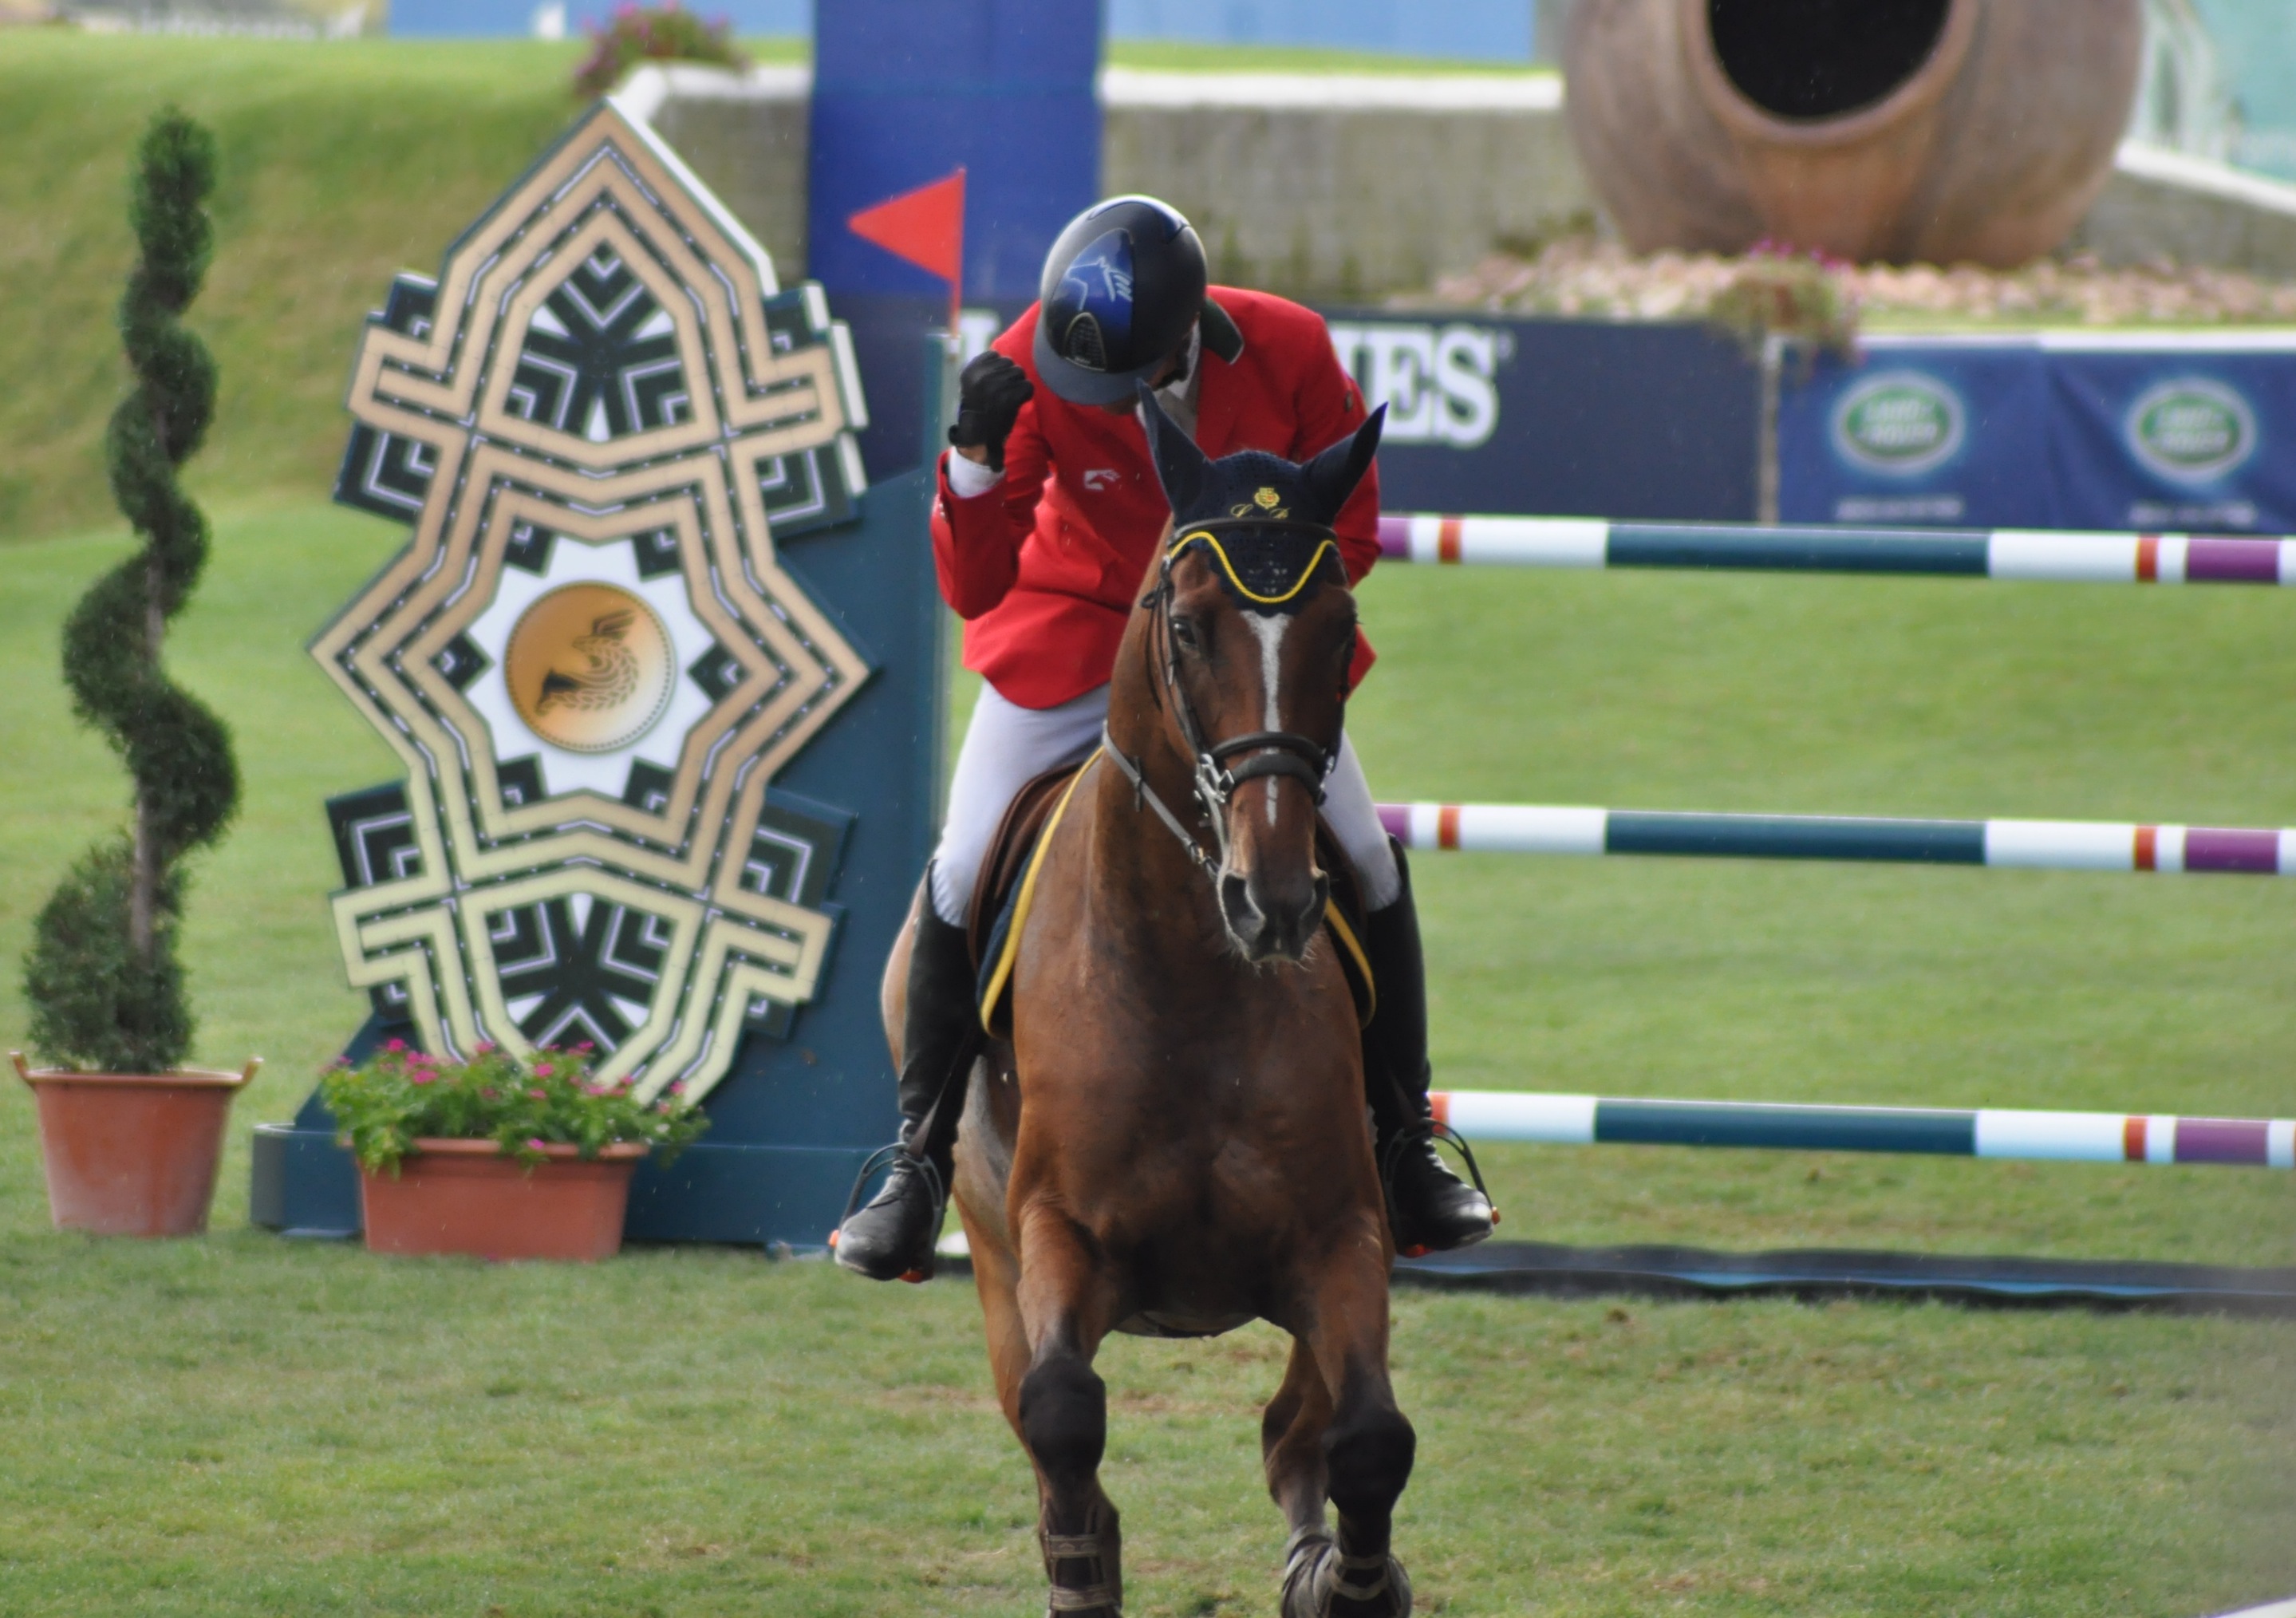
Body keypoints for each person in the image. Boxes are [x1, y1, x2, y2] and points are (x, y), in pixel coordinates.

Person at [834, 195, 1493, 1282]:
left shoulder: (1287, 346)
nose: (1115, 396)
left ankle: (1405, 1141)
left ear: (1189, 327)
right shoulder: (1032, 362)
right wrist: (971, 468)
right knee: (959, 867)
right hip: (1078, 652)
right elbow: (976, 583)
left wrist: (1241, 604)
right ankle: (914, 1163)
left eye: (1138, 374)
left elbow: (1354, 535)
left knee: (1367, 858)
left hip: (1231, 667)